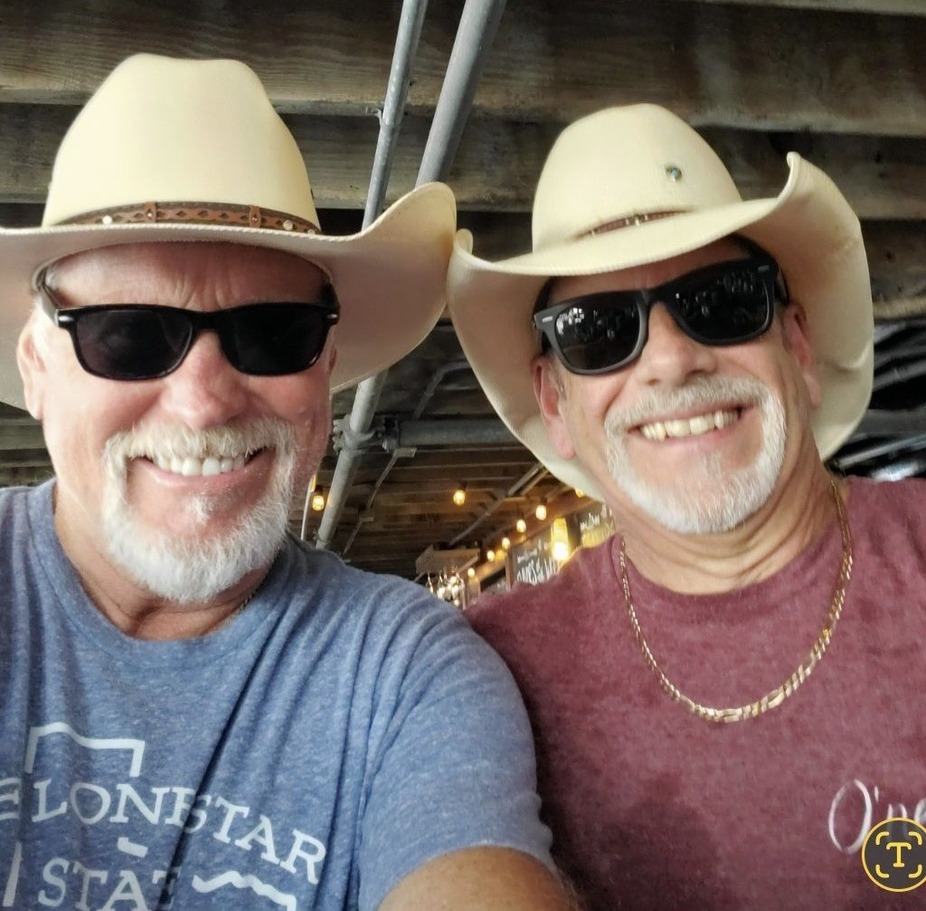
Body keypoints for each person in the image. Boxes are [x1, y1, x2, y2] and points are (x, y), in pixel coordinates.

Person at [0, 54, 579, 911]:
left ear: (326, 365)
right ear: (37, 367)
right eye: (127, 335)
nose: (203, 402)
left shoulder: (405, 671)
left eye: (273, 333)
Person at [446, 104, 926, 909]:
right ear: (555, 402)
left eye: (722, 301)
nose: (671, 359)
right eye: (599, 330)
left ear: (798, 346)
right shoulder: (477, 674)